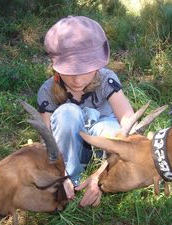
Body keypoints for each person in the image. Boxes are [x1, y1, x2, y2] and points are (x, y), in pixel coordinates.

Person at [37, 16, 134, 207]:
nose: (78, 78)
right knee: (67, 113)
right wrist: (60, 176)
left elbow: (129, 125)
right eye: (70, 69)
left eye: (86, 68)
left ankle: (106, 177)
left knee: (110, 128)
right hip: (68, 155)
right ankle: (70, 183)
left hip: (104, 155)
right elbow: (47, 141)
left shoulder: (107, 80)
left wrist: (99, 176)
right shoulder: (47, 91)